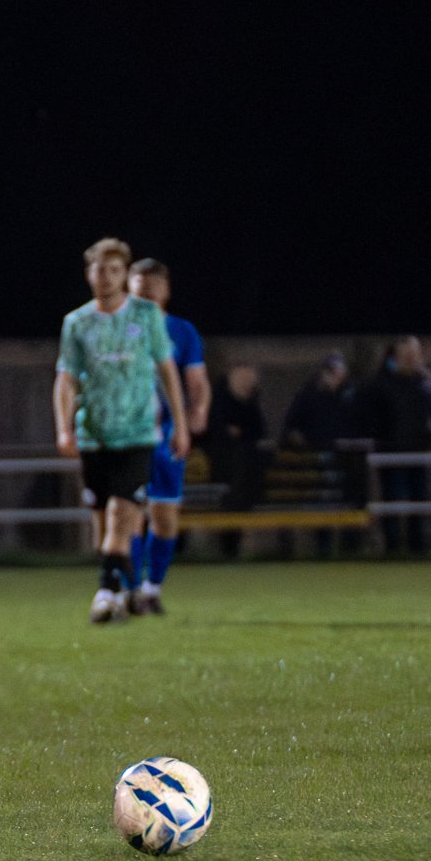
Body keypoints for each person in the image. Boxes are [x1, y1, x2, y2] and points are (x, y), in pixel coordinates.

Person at [54, 239, 190, 623]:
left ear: (123, 275)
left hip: (138, 435)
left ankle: (104, 594)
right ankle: (127, 589)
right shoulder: (77, 323)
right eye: (100, 270)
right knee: (104, 526)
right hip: (94, 435)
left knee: (119, 516)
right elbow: (65, 379)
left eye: (114, 270)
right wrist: (64, 429)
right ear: (89, 274)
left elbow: (167, 372)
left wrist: (180, 424)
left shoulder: (146, 317)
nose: (106, 277)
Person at [124, 258, 209, 614]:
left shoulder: (181, 332)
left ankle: (152, 587)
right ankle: (128, 591)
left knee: (164, 516)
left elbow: (196, 382)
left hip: (167, 437)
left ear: (166, 290)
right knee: (126, 514)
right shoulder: (117, 329)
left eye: (153, 284)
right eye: (139, 283)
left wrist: (197, 413)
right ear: (129, 288)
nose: (146, 290)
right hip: (126, 435)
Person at [358, 336, 431, 555]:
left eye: (415, 354)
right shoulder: (381, 383)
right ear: (396, 356)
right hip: (391, 452)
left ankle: (417, 547)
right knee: (392, 500)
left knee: (419, 500)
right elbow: (368, 415)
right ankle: (393, 547)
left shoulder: (426, 384)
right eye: (407, 354)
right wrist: (379, 437)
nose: (412, 359)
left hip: (418, 452)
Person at [280, 353, 357, 557]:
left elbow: (359, 422)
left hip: (346, 458)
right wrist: (298, 438)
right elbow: (291, 426)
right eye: (331, 372)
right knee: (323, 502)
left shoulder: (351, 393)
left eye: (338, 371)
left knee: (348, 502)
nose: (335, 376)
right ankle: (324, 547)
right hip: (318, 457)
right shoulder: (308, 394)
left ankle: (350, 549)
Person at [205, 364, 267, 559]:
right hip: (223, 465)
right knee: (229, 495)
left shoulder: (251, 404)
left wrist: (242, 433)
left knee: (238, 494)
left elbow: (258, 431)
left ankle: (233, 546)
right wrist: (228, 432)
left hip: (243, 471)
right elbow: (211, 429)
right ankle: (227, 545)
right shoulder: (218, 400)